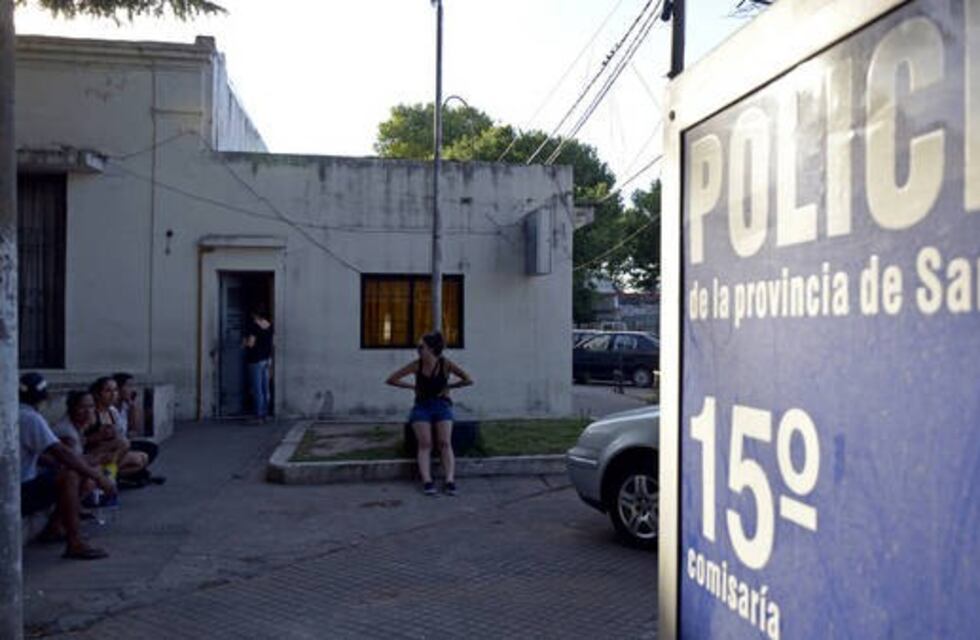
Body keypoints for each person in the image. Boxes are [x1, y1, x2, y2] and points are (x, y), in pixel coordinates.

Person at [19, 373, 116, 560]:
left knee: (72, 471)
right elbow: (63, 453)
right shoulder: (30, 418)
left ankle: (56, 527)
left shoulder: (14, 413)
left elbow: (40, 455)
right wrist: (98, 477)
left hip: (20, 484)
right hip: (17, 490)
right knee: (71, 476)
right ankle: (75, 542)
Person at [385, 331, 473, 496]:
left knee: (445, 442)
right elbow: (391, 379)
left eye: (421, 347)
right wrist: (412, 387)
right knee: (425, 443)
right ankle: (427, 481)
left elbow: (467, 379)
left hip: (442, 405)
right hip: (422, 407)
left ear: (431, 349)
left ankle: (449, 480)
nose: (418, 350)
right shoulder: (416, 365)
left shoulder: (445, 364)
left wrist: (449, 388)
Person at [87, 376, 149, 481]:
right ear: (97, 394)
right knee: (124, 444)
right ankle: (107, 477)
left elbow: (130, 431)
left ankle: (107, 475)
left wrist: (132, 406)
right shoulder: (91, 413)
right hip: (94, 453)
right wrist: (99, 436)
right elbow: (80, 441)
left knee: (143, 458)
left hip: (113, 453)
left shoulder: (112, 411)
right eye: (108, 391)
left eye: (115, 390)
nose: (113, 394)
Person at [112, 372, 160, 470]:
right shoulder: (111, 409)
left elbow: (135, 429)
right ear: (118, 388)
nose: (132, 390)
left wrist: (133, 407)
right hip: (116, 445)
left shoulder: (125, 406)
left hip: (125, 441)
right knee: (141, 455)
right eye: (128, 386)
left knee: (151, 448)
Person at [243, 306, 274, 423]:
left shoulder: (254, 326)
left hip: (255, 360)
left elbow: (251, 343)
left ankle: (259, 415)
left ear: (255, 315)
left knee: (257, 389)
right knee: (266, 388)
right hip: (266, 359)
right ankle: (265, 414)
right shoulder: (269, 326)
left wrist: (244, 342)